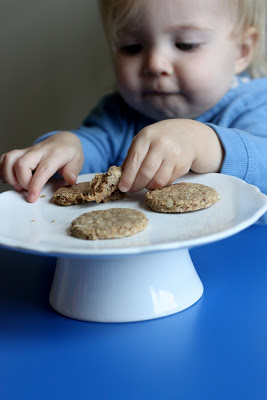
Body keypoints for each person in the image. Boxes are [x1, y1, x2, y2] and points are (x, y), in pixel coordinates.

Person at [1, 0, 267, 209]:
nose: (155, 64)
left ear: (242, 50)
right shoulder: (120, 113)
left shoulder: (256, 103)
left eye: (186, 44)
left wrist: (205, 142)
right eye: (131, 47)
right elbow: (93, 148)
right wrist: (64, 148)